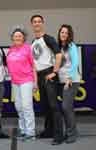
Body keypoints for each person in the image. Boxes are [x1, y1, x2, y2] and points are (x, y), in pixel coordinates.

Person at [30, 15, 64, 145]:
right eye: (34, 22)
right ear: (32, 24)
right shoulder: (33, 42)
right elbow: (34, 63)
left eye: (39, 21)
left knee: (54, 106)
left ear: (43, 23)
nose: (37, 23)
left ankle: (59, 135)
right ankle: (48, 131)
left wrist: (54, 72)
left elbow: (59, 55)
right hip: (39, 76)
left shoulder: (48, 39)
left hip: (49, 74)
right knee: (45, 106)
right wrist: (35, 80)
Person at [6, 27, 37, 141]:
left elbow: (34, 66)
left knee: (27, 106)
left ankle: (31, 132)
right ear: (12, 38)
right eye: (15, 36)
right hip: (15, 82)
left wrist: (35, 82)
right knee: (18, 107)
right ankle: (23, 130)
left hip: (27, 81)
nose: (17, 37)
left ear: (23, 37)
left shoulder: (28, 48)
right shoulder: (11, 49)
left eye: (19, 36)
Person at [58, 24, 81, 143]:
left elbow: (75, 62)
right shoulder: (59, 47)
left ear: (69, 35)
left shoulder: (71, 46)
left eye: (66, 33)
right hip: (62, 81)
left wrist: (69, 79)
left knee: (66, 107)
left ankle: (72, 133)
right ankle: (69, 131)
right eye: (62, 32)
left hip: (71, 81)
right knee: (67, 108)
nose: (64, 34)